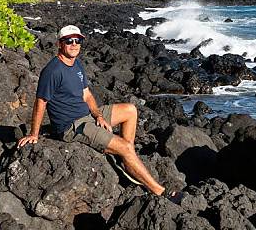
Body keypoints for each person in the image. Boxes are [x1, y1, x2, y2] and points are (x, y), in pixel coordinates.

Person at [18, 24, 182, 203]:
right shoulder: (52, 71)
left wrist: (99, 115)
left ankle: (127, 159)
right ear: (59, 43)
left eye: (78, 40)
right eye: (69, 41)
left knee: (131, 110)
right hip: (72, 126)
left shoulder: (76, 63)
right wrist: (34, 134)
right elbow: (41, 102)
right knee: (125, 148)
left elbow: (86, 94)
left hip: (88, 116)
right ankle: (159, 192)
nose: (74, 44)